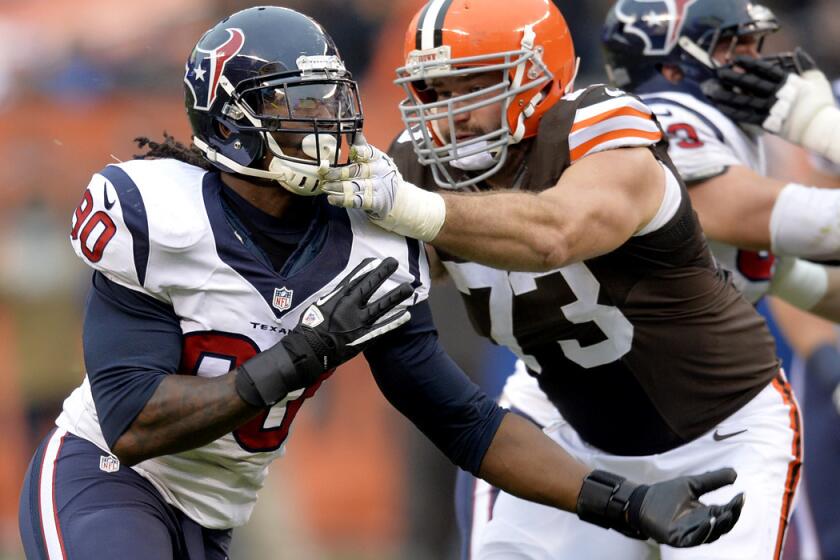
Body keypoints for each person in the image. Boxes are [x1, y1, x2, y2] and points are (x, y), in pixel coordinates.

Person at [16, 7, 740, 559]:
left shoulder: (371, 237)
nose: (327, 120)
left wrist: (619, 501)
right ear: (230, 118)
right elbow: (132, 421)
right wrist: (294, 360)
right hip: (105, 477)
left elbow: (461, 419)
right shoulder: (155, 212)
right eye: (296, 103)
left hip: (215, 512)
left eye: (330, 97)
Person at [320, 0, 801, 558]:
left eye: (469, 85)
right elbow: (368, 278)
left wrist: (413, 208)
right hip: (562, 428)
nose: (451, 114)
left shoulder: (603, 130)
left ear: (535, 77)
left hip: (720, 430)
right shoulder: (418, 167)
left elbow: (556, 233)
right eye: (433, 92)